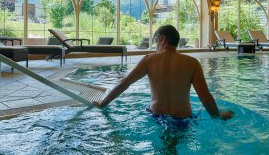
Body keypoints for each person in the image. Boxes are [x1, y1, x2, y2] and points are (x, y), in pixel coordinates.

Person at [94, 25, 234, 120]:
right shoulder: (192, 63)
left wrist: (103, 103)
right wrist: (218, 116)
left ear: (162, 39)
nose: (156, 46)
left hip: (157, 117)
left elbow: (124, 83)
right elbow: (206, 98)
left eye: (156, 41)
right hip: (183, 119)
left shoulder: (149, 60)